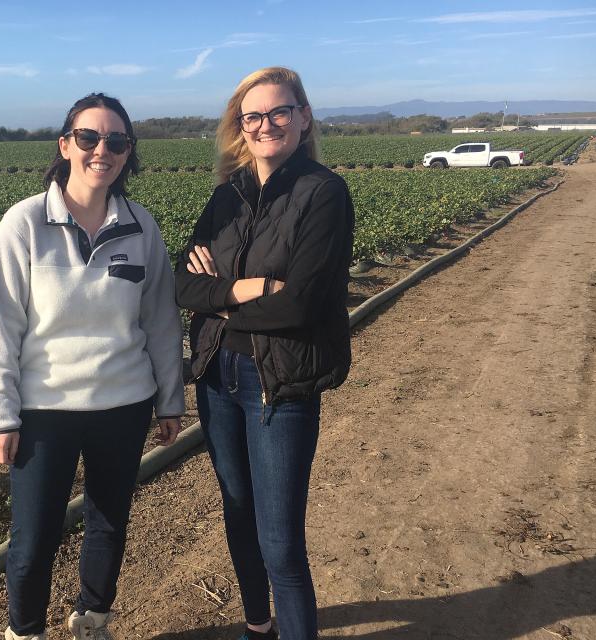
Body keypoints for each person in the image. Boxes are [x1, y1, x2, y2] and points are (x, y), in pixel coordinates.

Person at [0, 93, 185, 640]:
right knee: (34, 537)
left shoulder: (141, 227)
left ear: (127, 153)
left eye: (116, 141)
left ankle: (92, 620)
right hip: (45, 409)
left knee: (109, 523)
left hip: (123, 403)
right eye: (89, 138)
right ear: (66, 144)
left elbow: (161, 318)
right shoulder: (24, 223)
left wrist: (169, 399)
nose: (102, 150)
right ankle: (25, 632)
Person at [175, 67, 355, 640]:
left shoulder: (323, 192)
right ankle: (258, 625)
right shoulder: (227, 195)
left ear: (303, 118)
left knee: (279, 539)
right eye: (253, 116)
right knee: (237, 511)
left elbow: (300, 305)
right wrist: (245, 289)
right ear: (239, 127)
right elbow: (182, 284)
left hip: (278, 380)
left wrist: (219, 299)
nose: (266, 124)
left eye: (280, 112)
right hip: (216, 376)